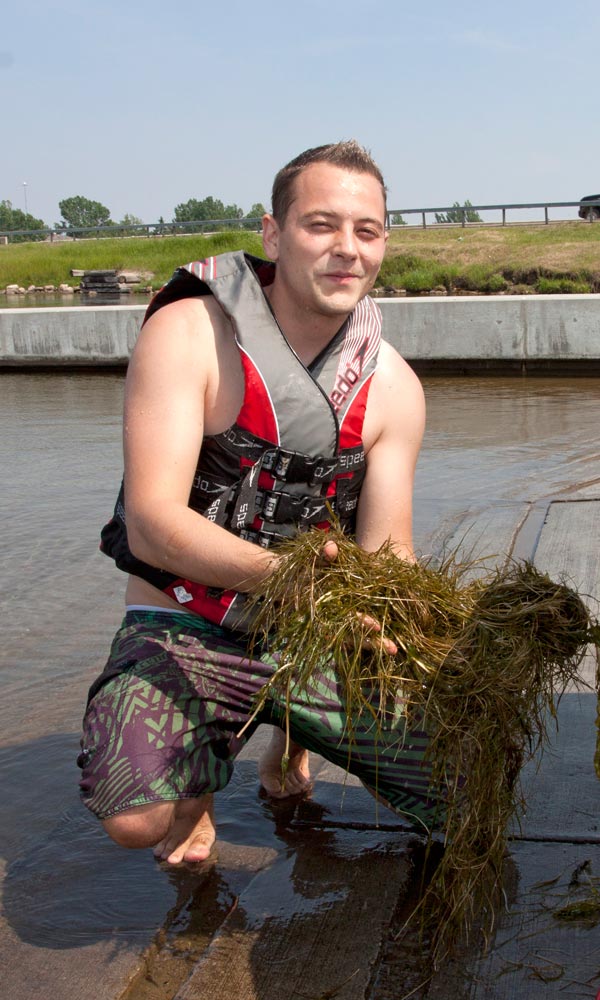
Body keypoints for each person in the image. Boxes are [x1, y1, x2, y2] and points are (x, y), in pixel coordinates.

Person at [78, 140, 438, 866]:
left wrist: (404, 626)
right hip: (186, 618)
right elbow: (152, 525)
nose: (347, 250)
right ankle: (199, 775)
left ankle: (287, 737)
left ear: (384, 245)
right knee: (138, 821)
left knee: (449, 777)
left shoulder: (394, 387)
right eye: (320, 226)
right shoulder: (189, 334)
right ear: (273, 235)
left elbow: (388, 549)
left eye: (366, 232)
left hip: (310, 634)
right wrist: (297, 585)